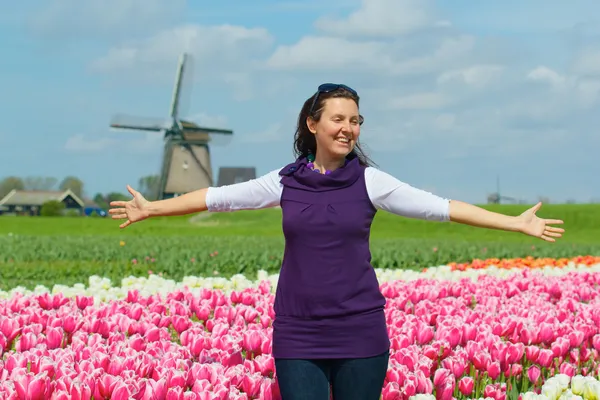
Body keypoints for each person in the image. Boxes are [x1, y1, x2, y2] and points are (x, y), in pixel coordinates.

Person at [108, 83, 565, 399]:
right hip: (298, 329)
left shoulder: (371, 182)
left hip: (359, 329)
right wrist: (152, 208)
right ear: (313, 124)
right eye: (338, 119)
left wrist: (514, 223)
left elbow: (441, 207)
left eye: (356, 120)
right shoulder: (284, 182)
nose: (348, 128)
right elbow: (217, 197)